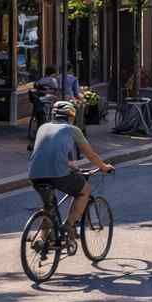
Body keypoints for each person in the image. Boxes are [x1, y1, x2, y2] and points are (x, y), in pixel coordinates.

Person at [28, 100, 115, 234]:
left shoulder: (43, 127)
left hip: (34, 173)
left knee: (49, 205)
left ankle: (44, 238)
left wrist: (68, 164)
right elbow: (90, 155)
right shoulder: (72, 129)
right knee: (84, 191)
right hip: (58, 173)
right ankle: (69, 225)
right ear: (71, 117)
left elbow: (47, 152)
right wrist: (103, 166)